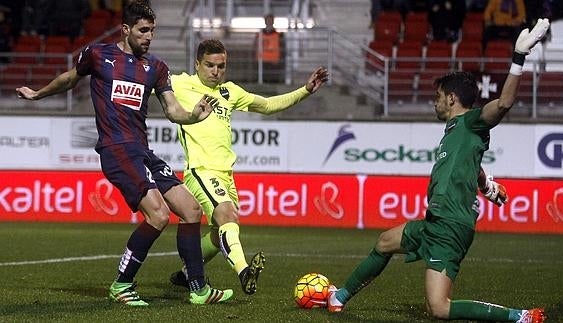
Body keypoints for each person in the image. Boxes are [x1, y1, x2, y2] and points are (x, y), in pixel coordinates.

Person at [326, 18, 550, 323]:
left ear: (451, 98)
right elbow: (473, 167)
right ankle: (338, 297)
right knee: (384, 242)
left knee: (439, 308)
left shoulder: (472, 121)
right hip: (435, 221)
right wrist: (487, 187)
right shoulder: (456, 131)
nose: (435, 103)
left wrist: (518, 58)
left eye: (437, 97)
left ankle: (520, 316)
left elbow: (505, 103)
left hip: (450, 226)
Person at [16, 2, 233, 307]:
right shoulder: (99, 55)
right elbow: (70, 78)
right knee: (158, 215)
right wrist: (38, 94)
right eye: (144, 30)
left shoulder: (156, 67)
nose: (149, 37)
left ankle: (198, 289)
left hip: (143, 150)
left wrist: (194, 116)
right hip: (116, 149)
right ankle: (122, 284)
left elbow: (173, 110)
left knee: (191, 210)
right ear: (127, 30)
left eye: (152, 31)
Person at [166, 38, 329, 295]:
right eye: (209, 65)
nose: (216, 72)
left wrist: (305, 90)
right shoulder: (180, 83)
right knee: (227, 216)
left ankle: (187, 273)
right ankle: (244, 272)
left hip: (226, 174)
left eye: (221, 66)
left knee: (220, 230)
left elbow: (266, 105)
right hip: (200, 170)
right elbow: (143, 81)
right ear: (197, 64)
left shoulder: (230, 91)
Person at [255, 13, 284, 83]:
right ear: (265, 21)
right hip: (262, 60)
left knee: (273, 79)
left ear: (273, 21)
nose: (269, 22)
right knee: (263, 79)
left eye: (271, 20)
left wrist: (280, 58)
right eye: (268, 20)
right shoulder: (259, 34)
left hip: (274, 61)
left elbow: (281, 48)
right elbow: (255, 47)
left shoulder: (279, 35)